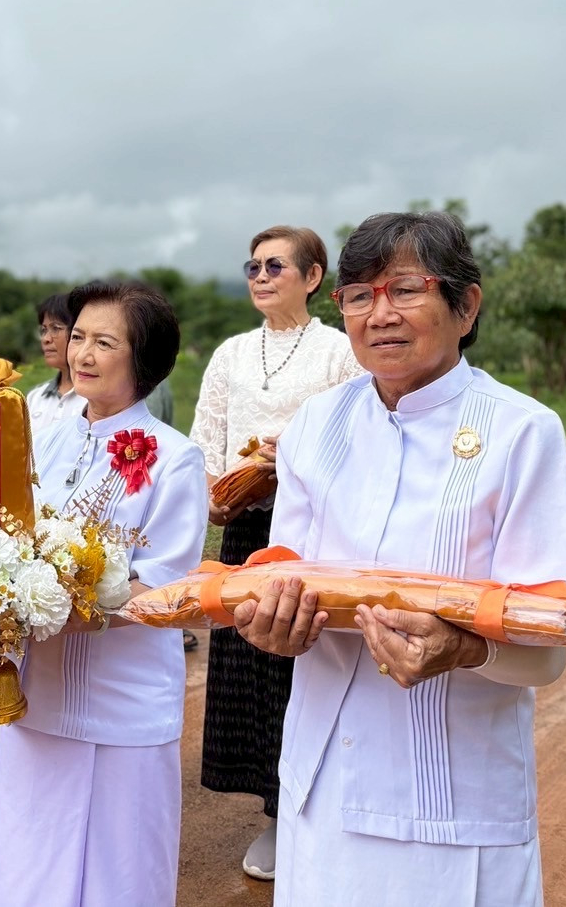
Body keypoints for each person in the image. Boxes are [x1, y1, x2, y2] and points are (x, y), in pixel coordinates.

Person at [235, 211, 566, 907]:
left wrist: (461, 649)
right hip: (321, 786)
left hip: (447, 792)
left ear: (465, 305)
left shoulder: (520, 433)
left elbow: (547, 651)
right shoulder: (315, 427)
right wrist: (266, 626)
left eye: (405, 290)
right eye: (358, 295)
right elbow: (287, 584)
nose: (378, 314)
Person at [0, 281, 207, 907]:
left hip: (125, 700)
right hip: (39, 691)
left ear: (143, 358)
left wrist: (80, 609)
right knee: (29, 859)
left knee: (121, 869)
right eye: (78, 336)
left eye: (104, 342)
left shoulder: (174, 458)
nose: (82, 352)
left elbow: (168, 583)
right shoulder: (41, 432)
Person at [189, 224, 362, 880]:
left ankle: (313, 811)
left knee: (303, 669)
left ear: (313, 278)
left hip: (313, 535)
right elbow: (207, 434)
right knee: (248, 671)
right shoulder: (231, 353)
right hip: (244, 529)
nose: (259, 277)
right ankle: (274, 812)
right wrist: (213, 489)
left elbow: (353, 434)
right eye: (252, 266)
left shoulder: (338, 352)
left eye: (274, 266)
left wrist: (285, 454)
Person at [25, 292, 84, 432]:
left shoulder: (95, 399)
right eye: (44, 330)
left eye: (56, 328)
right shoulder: (35, 397)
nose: (46, 339)